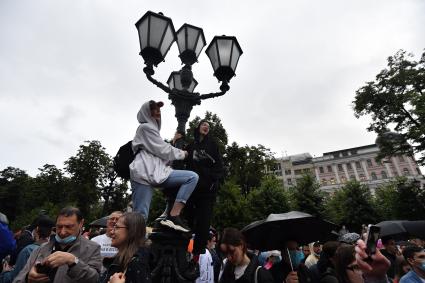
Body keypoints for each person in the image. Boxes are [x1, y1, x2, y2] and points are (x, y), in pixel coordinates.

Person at [129, 100, 199, 232]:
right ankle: (131, 250)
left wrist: (172, 143)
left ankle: (173, 215)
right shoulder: (145, 128)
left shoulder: (152, 132)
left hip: (157, 173)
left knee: (191, 177)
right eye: (153, 109)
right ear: (146, 112)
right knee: (140, 216)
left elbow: (159, 149)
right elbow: (162, 149)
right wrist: (182, 153)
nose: (158, 111)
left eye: (158, 109)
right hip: (143, 173)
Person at [13, 207, 102, 283]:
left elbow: (95, 279)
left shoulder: (92, 248)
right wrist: (27, 278)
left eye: (69, 227)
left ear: (81, 224)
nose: (62, 232)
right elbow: (18, 279)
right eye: (59, 227)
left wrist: (73, 262)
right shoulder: (42, 248)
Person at [184, 120, 224, 263]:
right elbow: (180, 158)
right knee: (187, 220)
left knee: (203, 222)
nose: (206, 126)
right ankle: (184, 251)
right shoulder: (190, 145)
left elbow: (219, 166)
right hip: (191, 189)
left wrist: (212, 181)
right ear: (198, 128)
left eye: (208, 126)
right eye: (203, 124)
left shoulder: (212, 145)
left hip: (206, 190)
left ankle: (196, 257)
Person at [0, 215, 54, 283]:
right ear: (52, 231)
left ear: (37, 229)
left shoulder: (28, 250)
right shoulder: (56, 250)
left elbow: (14, 278)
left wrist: (5, 272)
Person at [101, 212, 151, 283]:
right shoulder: (122, 259)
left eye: (117, 227)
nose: (111, 231)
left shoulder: (137, 264)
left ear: (131, 231)